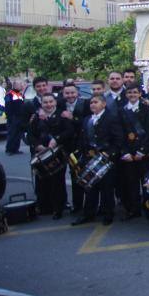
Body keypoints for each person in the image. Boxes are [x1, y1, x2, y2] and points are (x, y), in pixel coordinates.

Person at [72, 95, 124, 226]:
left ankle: (108, 214)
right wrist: (80, 155)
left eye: (96, 102)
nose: (93, 105)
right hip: (89, 158)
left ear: (104, 104)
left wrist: (109, 153)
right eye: (91, 103)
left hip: (105, 158)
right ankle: (88, 214)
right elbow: (83, 139)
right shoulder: (87, 119)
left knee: (107, 189)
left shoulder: (111, 118)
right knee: (90, 187)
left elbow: (119, 139)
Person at [27, 93, 75, 218]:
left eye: (51, 102)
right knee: (42, 181)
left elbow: (69, 131)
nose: (48, 104)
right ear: (41, 104)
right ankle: (45, 207)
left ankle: (59, 208)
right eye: (45, 102)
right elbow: (30, 135)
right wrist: (37, 145)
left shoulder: (62, 115)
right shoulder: (36, 117)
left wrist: (57, 139)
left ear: (55, 102)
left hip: (58, 153)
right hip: (41, 153)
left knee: (58, 182)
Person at [119, 84, 149, 221]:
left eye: (135, 92)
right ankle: (134, 210)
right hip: (129, 153)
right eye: (129, 92)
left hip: (143, 152)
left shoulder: (147, 109)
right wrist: (125, 152)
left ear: (140, 94)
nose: (132, 95)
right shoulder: (121, 110)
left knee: (146, 183)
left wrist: (142, 151)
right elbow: (120, 133)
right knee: (131, 183)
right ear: (126, 94)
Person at [60, 83, 90, 212]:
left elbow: (88, 121)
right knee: (74, 176)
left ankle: (89, 206)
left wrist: (73, 118)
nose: (70, 95)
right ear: (63, 94)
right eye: (67, 93)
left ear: (77, 93)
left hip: (82, 145)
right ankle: (77, 205)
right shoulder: (60, 104)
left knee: (86, 175)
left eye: (72, 93)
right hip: (67, 146)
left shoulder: (86, 104)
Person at [4, 78, 27, 155]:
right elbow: (8, 107)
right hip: (13, 118)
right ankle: (9, 150)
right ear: (15, 85)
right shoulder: (10, 94)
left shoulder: (20, 95)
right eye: (20, 85)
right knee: (12, 134)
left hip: (20, 117)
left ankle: (16, 149)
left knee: (18, 134)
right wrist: (10, 117)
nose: (22, 86)